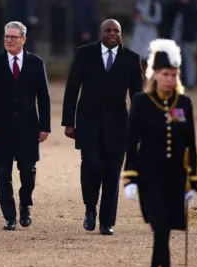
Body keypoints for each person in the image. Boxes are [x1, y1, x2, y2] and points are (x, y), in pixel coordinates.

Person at [61, 19, 143, 235]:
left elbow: (137, 96)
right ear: (101, 33)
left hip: (118, 126)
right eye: (108, 30)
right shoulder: (84, 54)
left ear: (121, 34)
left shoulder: (132, 59)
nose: (112, 33)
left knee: (112, 174)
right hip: (88, 123)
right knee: (91, 166)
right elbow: (72, 89)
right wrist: (69, 122)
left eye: (116, 30)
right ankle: (90, 207)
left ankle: (107, 222)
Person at [122, 39, 197, 267]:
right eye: (165, 74)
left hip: (175, 178)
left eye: (174, 75)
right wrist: (130, 177)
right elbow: (131, 141)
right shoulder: (141, 102)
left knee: (163, 233)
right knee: (161, 226)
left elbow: (191, 144)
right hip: (149, 177)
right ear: (154, 75)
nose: (170, 79)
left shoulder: (184, 103)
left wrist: (193, 181)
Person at [0, 21, 51, 231]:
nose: (9, 40)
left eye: (14, 37)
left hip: (28, 127)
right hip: (0, 127)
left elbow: (44, 97)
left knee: (28, 172)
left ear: (23, 39)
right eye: (7, 37)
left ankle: (25, 203)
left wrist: (44, 125)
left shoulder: (36, 63)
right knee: (2, 173)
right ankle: (9, 216)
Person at [129, 0, 162, 82]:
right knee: (138, 57)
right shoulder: (137, 4)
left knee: (148, 57)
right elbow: (135, 19)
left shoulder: (154, 5)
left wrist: (145, 19)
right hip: (139, 34)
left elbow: (158, 20)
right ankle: (140, 79)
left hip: (150, 34)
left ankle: (150, 79)